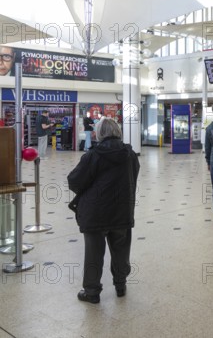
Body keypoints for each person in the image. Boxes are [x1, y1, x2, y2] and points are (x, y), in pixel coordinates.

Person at [67, 118, 140, 304]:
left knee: (94, 252)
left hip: (95, 213)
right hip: (122, 210)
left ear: (99, 133)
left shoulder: (93, 155)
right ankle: (120, 284)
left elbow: (74, 181)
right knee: (121, 249)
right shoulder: (130, 154)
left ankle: (91, 292)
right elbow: (134, 177)